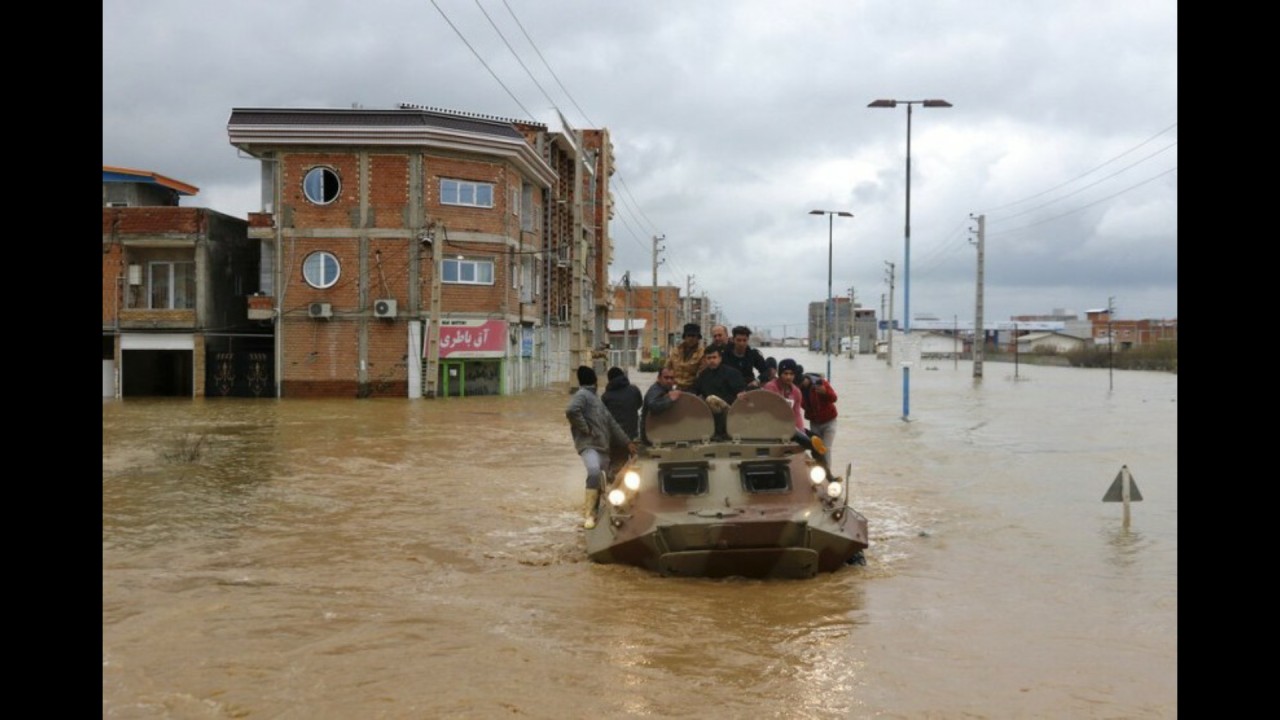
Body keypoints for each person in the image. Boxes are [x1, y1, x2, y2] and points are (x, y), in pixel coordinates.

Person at [565, 366, 637, 529]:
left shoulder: (597, 399)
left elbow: (612, 424)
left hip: (603, 447)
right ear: (596, 381)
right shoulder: (583, 395)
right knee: (594, 472)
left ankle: (598, 513)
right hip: (589, 446)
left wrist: (627, 443)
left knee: (604, 481)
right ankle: (589, 514)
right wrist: (585, 429)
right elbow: (571, 410)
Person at [762, 358, 827, 465]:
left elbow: (797, 415)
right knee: (811, 443)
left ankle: (827, 473)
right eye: (785, 373)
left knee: (818, 440)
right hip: (773, 425)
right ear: (779, 374)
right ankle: (811, 445)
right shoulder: (770, 388)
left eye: (791, 374)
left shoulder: (796, 392)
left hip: (790, 426)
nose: (788, 377)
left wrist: (802, 431)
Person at [690, 345, 747, 438]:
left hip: (731, 413)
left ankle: (720, 432)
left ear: (720, 358)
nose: (712, 360)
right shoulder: (703, 375)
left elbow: (742, 392)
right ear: (705, 360)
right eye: (709, 358)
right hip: (710, 414)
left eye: (714, 357)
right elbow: (694, 391)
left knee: (711, 399)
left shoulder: (732, 373)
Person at [800, 372, 838, 461]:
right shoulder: (798, 389)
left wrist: (825, 392)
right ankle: (818, 471)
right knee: (816, 448)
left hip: (829, 421)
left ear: (805, 378)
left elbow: (834, 398)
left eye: (801, 381)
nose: (800, 384)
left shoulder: (820, 382)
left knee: (825, 449)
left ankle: (827, 473)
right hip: (814, 422)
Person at [640, 366, 683, 444]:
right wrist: (670, 399)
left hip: (659, 433)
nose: (669, 381)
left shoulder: (666, 389)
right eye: (666, 378)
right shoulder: (655, 390)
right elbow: (653, 405)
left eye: (672, 378)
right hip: (651, 436)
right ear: (659, 378)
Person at [601, 366, 643, 440]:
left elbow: (603, 417)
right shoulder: (634, 390)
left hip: (614, 438)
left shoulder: (606, 396)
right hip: (633, 435)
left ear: (609, 380)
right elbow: (639, 404)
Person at [665, 323, 707, 391]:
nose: (691, 338)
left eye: (693, 336)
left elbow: (701, 375)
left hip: (692, 388)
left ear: (698, 338)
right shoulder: (675, 351)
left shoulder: (702, 353)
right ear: (684, 337)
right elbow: (667, 368)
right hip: (673, 386)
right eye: (688, 335)